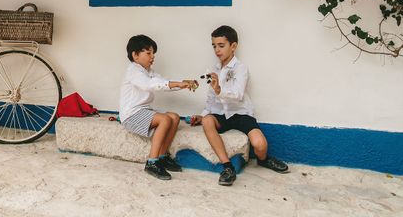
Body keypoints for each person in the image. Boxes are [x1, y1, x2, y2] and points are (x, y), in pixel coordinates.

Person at [189, 25, 289, 186]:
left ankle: (263, 160)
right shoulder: (213, 70)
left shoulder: (241, 68)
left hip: (241, 114)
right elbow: (210, 99)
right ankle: (227, 167)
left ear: (233, 46)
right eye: (214, 46)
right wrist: (203, 114)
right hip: (220, 115)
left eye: (221, 46)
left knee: (260, 145)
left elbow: (237, 95)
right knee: (207, 120)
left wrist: (219, 89)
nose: (217, 50)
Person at [119, 34, 197, 180]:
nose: (152, 56)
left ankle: (161, 157)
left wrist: (182, 83)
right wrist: (176, 84)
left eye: (153, 53)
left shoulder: (149, 72)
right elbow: (150, 85)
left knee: (173, 117)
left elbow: (163, 83)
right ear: (135, 55)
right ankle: (152, 162)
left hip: (143, 112)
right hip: (131, 115)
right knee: (165, 120)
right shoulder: (134, 71)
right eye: (148, 53)